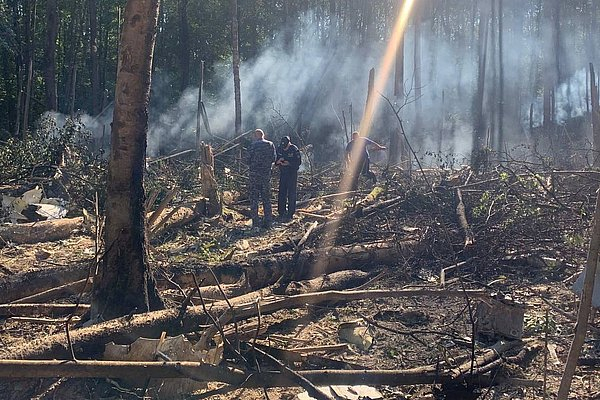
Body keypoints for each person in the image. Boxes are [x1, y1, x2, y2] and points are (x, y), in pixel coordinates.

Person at [247, 129, 277, 229]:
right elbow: (274, 159)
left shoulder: (253, 146)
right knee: (266, 199)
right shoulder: (270, 145)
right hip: (265, 176)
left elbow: (247, 160)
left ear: (256, 136)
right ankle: (268, 222)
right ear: (263, 135)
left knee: (254, 199)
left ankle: (255, 222)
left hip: (254, 176)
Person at [276, 136, 302, 220]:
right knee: (282, 193)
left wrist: (289, 163)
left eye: (286, 146)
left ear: (289, 143)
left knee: (291, 193)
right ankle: (281, 212)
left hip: (292, 174)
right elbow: (275, 160)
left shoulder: (294, 149)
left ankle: (290, 213)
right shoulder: (279, 149)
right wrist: (278, 162)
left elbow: (298, 162)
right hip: (283, 173)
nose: (284, 148)